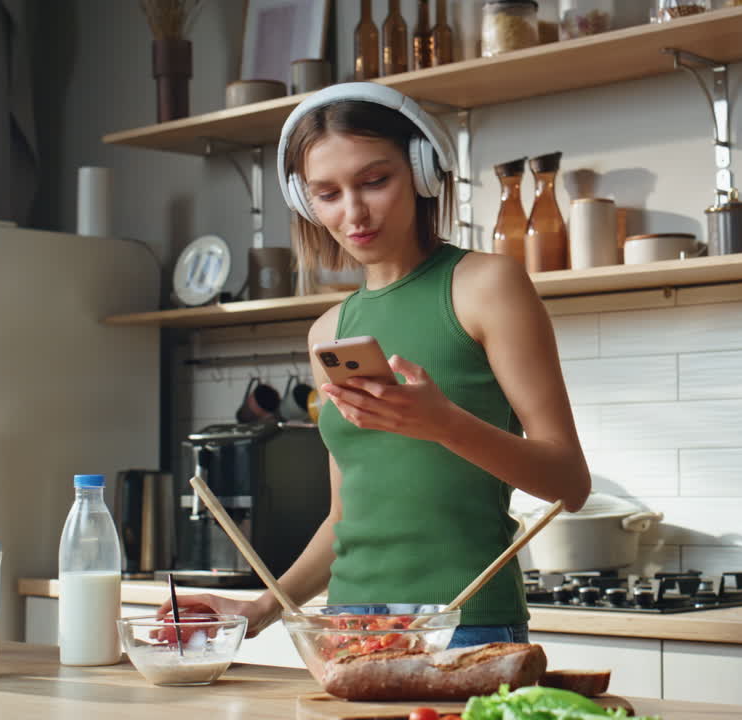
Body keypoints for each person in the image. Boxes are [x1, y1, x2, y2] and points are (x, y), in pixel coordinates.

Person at [161, 83, 590, 648]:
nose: (354, 212)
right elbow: (346, 518)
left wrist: (444, 424)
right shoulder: (328, 332)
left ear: (421, 172)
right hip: (346, 630)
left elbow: (570, 482)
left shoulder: (487, 285)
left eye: (374, 181)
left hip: (465, 626)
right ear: (305, 201)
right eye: (328, 193)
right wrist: (261, 609)